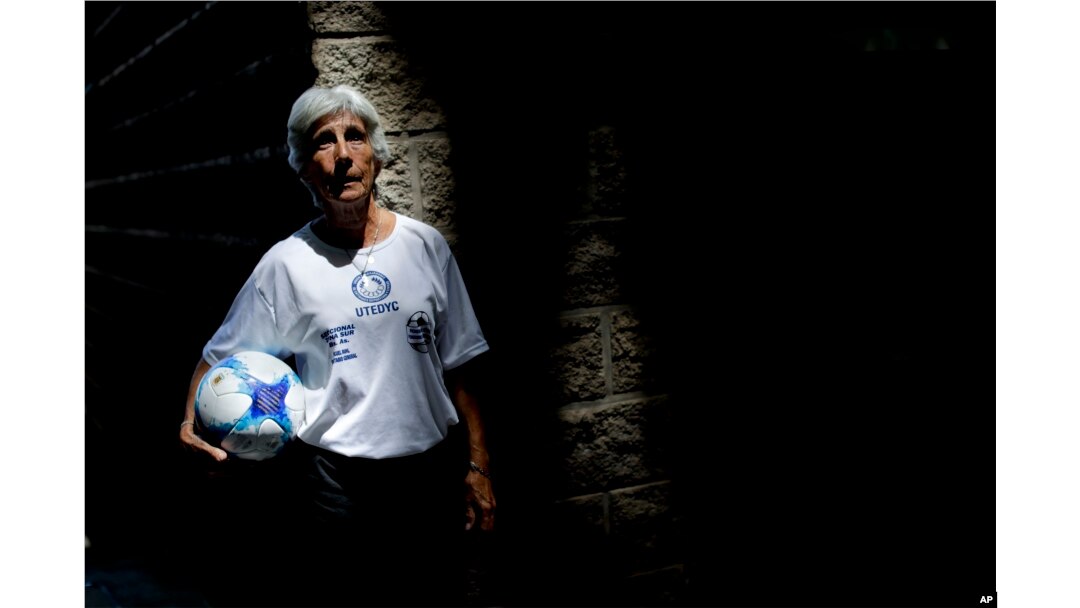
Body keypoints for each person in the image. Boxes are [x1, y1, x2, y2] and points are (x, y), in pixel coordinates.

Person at [178, 84, 495, 607]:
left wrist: (479, 468)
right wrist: (190, 424)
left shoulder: (424, 246)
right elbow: (219, 359)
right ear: (305, 168)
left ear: (377, 155)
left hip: (429, 476)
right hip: (337, 487)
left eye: (356, 137)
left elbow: (463, 365)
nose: (344, 155)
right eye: (324, 142)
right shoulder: (286, 265)